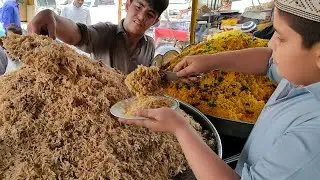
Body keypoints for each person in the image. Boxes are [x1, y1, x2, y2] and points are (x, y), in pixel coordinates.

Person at [120, 0, 320, 179]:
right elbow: (268, 61)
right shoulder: (303, 72)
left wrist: (180, 128)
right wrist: (210, 61)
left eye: (282, 38)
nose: (270, 42)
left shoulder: (314, 135)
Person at [28, 0, 169, 74]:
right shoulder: (105, 32)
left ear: (155, 21)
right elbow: (77, 34)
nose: (141, 17)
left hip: (132, 114)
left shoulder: (149, 45)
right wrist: (52, 18)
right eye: (139, 7)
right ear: (128, 4)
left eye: (149, 15)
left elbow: (146, 80)